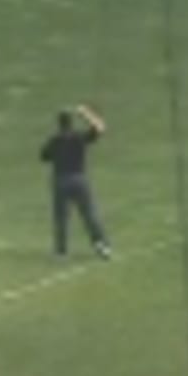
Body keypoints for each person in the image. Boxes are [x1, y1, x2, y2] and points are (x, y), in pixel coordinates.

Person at [42, 105, 112, 260]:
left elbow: (44, 157)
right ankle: (101, 246)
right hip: (79, 179)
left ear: (59, 124)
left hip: (60, 180)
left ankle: (61, 251)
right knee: (89, 214)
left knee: (61, 218)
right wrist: (86, 113)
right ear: (71, 123)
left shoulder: (55, 140)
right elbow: (100, 127)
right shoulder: (79, 137)